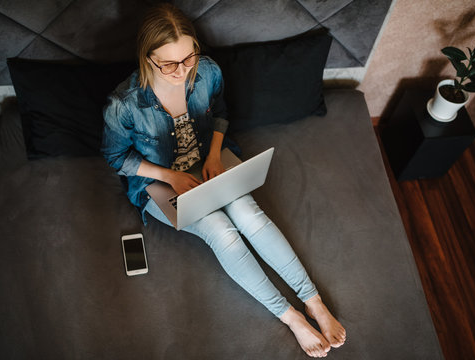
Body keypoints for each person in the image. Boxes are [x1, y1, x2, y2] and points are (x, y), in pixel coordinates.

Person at [101, 3, 345, 358]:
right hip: (157, 182)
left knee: (247, 211)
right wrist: (171, 176)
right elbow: (116, 158)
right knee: (220, 231)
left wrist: (214, 154)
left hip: (209, 160)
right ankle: (289, 315)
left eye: (188, 59)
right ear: (147, 57)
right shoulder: (123, 104)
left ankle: (313, 300)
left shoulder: (207, 72)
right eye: (168, 63)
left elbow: (219, 113)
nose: (181, 72)